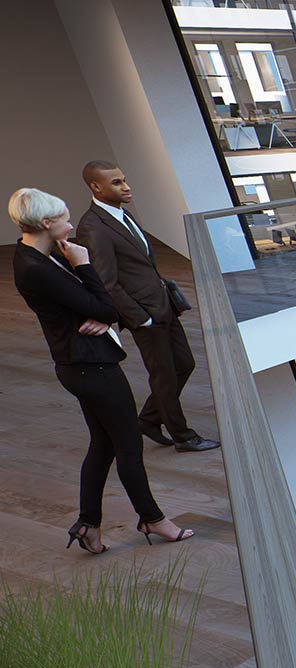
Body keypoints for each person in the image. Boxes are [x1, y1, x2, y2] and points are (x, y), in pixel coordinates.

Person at [13, 187, 192, 553]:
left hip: (81, 364)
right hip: (90, 366)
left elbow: (98, 309)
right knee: (127, 446)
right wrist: (85, 266)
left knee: (104, 444)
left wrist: (99, 311)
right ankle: (152, 518)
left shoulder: (39, 255)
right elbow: (107, 308)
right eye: (64, 218)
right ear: (47, 223)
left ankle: (88, 524)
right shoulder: (38, 267)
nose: (71, 222)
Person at [77, 164, 216, 454]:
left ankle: (150, 420)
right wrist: (142, 319)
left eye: (125, 180)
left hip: (162, 306)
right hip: (146, 314)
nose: (126, 187)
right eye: (117, 183)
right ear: (96, 188)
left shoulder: (122, 215)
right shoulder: (93, 226)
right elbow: (107, 282)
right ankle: (183, 436)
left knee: (184, 364)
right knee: (163, 375)